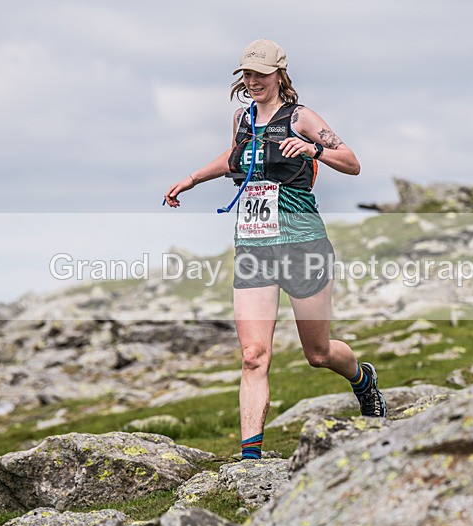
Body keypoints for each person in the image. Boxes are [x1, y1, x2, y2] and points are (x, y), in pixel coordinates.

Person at [164, 39, 386, 460]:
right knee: (252, 356)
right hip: (254, 247)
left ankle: (362, 379)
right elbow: (235, 160)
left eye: (260, 75)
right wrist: (191, 179)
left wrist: (313, 148)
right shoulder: (242, 118)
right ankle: (250, 459)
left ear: (279, 74)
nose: (252, 82)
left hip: (303, 244)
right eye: (246, 75)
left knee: (317, 355)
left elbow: (352, 161)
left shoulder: (301, 117)